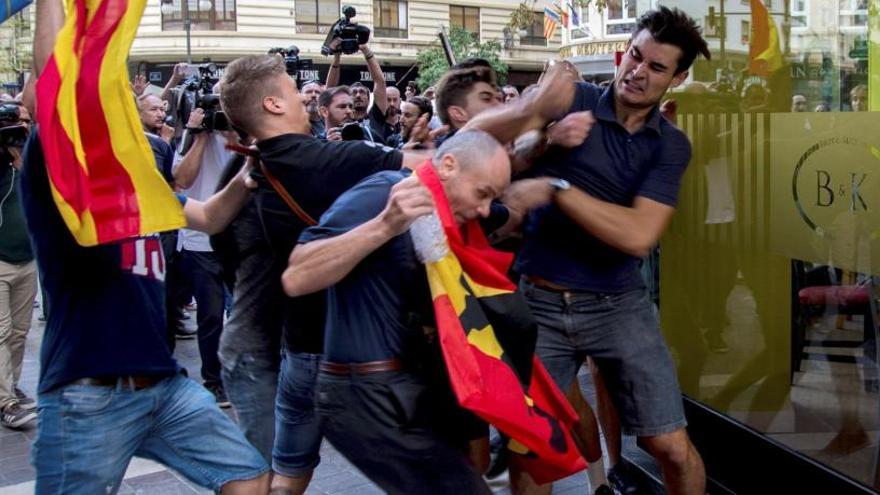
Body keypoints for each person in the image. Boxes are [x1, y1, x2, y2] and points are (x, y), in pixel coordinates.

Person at [506, 7, 709, 495]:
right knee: (533, 450)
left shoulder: (670, 146)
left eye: (656, 67)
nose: (638, 72)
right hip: (539, 302)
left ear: (676, 78)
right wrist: (544, 140)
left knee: (671, 447)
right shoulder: (572, 100)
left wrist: (556, 186)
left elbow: (640, 234)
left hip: (619, 305)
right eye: (635, 57)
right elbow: (500, 165)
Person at [282, 131, 511, 495]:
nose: (484, 209)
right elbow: (297, 275)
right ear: (449, 166)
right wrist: (384, 225)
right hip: (364, 393)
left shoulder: (438, 214)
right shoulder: (388, 189)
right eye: (483, 193)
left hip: (400, 389)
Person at [171, 106, 238, 407]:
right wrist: (199, 134)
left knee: (241, 313)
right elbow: (181, 179)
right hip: (201, 243)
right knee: (211, 315)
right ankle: (214, 379)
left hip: (237, 241)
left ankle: (243, 373)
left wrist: (234, 131)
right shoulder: (192, 136)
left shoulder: (239, 134)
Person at [0, 104, 37, 430]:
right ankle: (6, 402)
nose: (22, 128)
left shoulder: (34, 160)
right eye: (15, 123)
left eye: (26, 122)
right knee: (0, 331)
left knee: (19, 332)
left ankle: (8, 386)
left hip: (28, 258)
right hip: (0, 261)